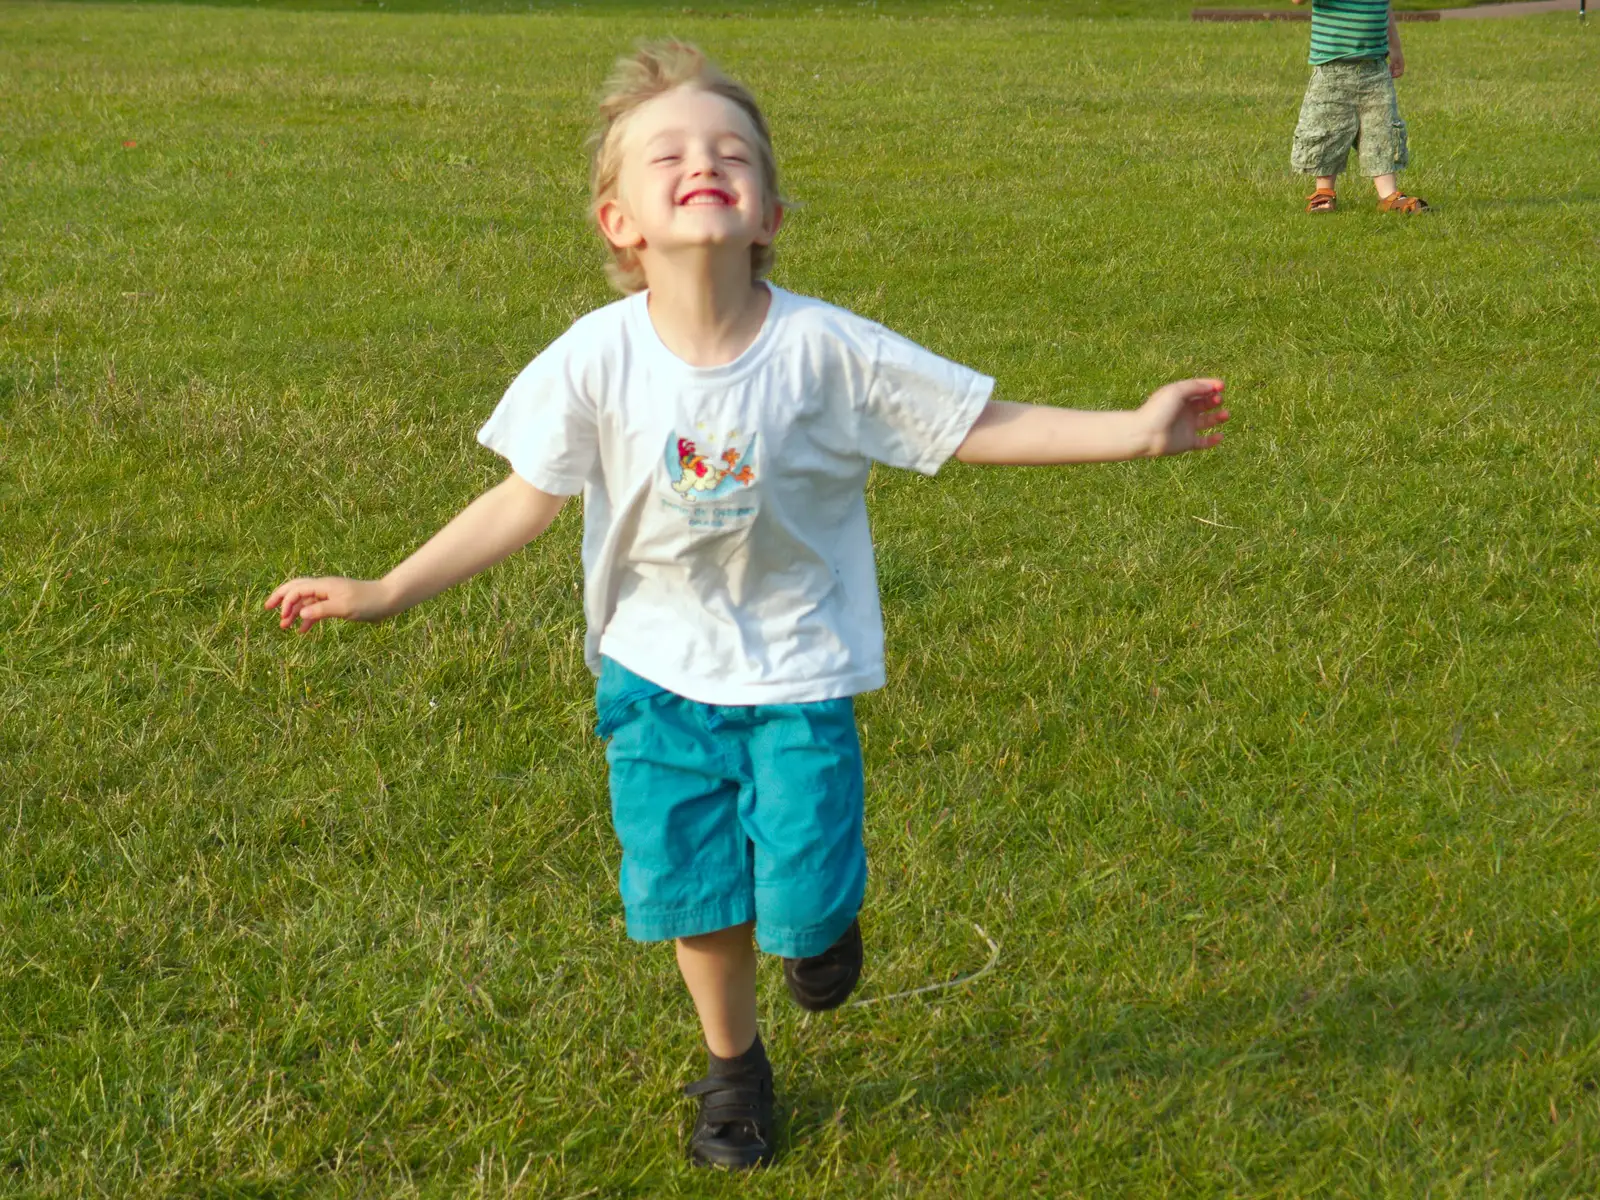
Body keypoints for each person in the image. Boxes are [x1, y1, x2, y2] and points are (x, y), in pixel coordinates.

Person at [264, 41, 1230, 1171]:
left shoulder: (824, 351)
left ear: (769, 208)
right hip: (653, 670)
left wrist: (1134, 428)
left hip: (797, 669)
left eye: (730, 152)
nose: (701, 164)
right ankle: (734, 1070)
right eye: (666, 153)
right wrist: (385, 590)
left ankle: (822, 927)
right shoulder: (595, 359)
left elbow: (970, 422)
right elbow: (525, 497)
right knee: (696, 889)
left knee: (804, 897)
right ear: (618, 220)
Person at [1289, 0, 1430, 213]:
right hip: (1332, 68)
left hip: (1375, 69)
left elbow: (1384, 8)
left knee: (1381, 130)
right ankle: (1324, 192)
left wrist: (1395, 47)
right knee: (1328, 128)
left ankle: (1388, 195)